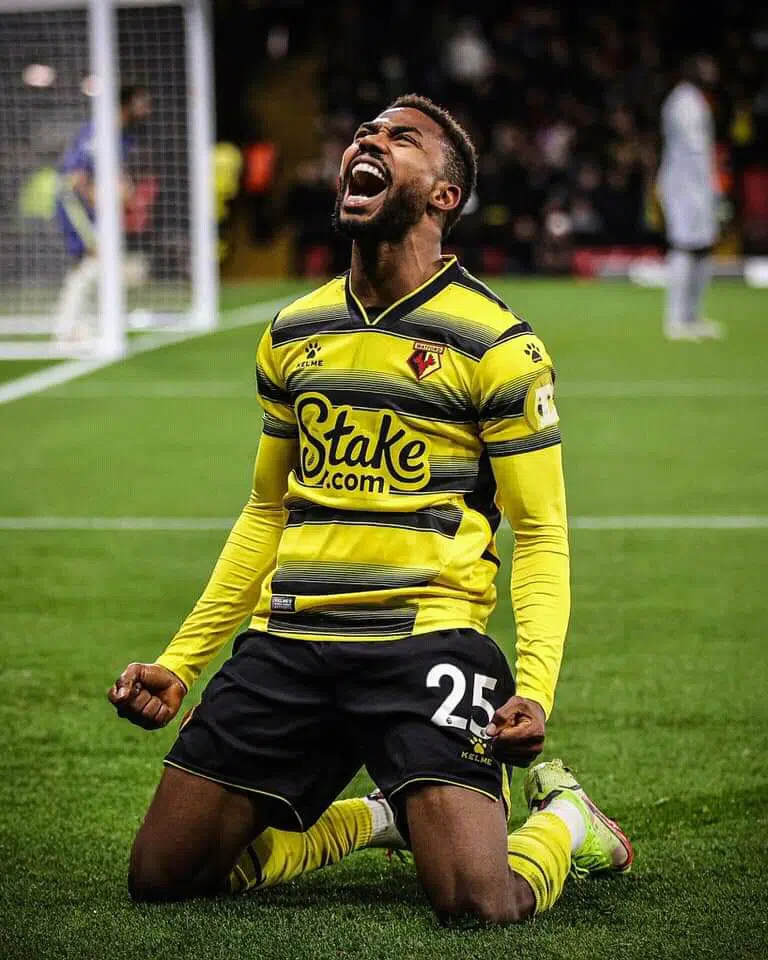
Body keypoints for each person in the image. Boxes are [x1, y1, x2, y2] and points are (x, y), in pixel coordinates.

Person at [109, 94, 632, 923]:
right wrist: (180, 662)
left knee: (479, 901)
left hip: (425, 642)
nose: (369, 139)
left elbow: (539, 532)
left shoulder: (497, 344)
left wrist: (535, 689)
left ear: (444, 196)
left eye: (401, 137)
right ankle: (380, 818)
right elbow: (266, 510)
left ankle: (566, 820)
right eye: (365, 131)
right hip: (292, 642)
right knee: (163, 876)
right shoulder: (294, 332)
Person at [53, 85, 151, 345]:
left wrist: (122, 191)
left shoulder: (124, 137)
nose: (147, 108)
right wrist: (101, 199)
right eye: (141, 102)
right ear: (126, 105)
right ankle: (67, 329)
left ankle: (79, 326)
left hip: (93, 206)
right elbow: (77, 178)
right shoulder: (100, 133)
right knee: (93, 259)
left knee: (95, 264)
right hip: (75, 202)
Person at [658, 55, 723, 340]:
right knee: (684, 246)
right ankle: (675, 321)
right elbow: (693, 150)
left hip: (699, 187)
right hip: (684, 187)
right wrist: (707, 188)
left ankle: (692, 316)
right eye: (707, 67)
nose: (712, 72)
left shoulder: (696, 99)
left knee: (703, 247)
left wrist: (711, 188)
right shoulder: (682, 101)